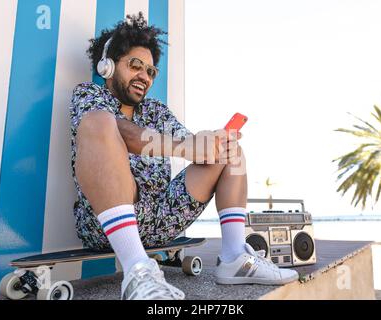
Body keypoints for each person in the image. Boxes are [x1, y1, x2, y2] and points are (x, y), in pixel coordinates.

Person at [69, 12, 298, 300]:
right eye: (135, 66)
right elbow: (126, 134)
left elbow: (186, 142)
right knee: (100, 122)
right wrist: (184, 147)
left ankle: (234, 257)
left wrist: (208, 142)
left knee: (229, 149)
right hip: (104, 226)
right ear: (107, 65)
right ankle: (137, 271)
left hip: (162, 218)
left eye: (151, 71)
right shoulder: (88, 96)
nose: (144, 76)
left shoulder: (156, 110)